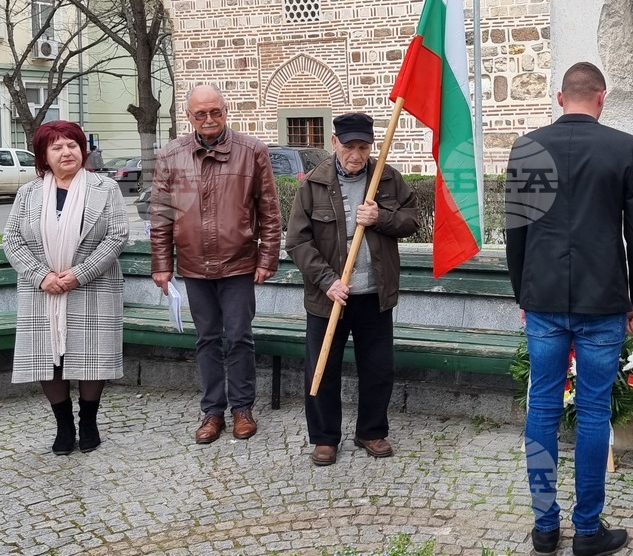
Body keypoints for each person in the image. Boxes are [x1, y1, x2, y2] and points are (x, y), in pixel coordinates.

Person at [505, 62, 633, 556]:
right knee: (592, 412)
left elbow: (515, 230)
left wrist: (523, 293)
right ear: (602, 98)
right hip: (602, 299)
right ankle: (587, 530)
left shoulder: (527, 146)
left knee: (542, 408)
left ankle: (545, 527)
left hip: (543, 297)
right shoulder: (622, 147)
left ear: (559, 97)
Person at [149, 85, 282, 443]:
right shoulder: (171, 155)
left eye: (215, 112)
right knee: (206, 338)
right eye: (201, 113)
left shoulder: (251, 151)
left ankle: (242, 408)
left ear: (226, 110)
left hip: (238, 262)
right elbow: (161, 215)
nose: (209, 119)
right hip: (193, 264)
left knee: (239, 337)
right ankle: (212, 411)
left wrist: (267, 256)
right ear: (189, 116)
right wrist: (161, 264)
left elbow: (270, 211)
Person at [285, 112, 419, 466]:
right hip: (329, 296)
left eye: (363, 147)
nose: (356, 155)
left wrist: (380, 218)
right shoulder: (313, 184)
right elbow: (297, 242)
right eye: (349, 147)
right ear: (334, 143)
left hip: (374, 294)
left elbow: (412, 220)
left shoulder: (387, 179)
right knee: (323, 368)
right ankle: (324, 438)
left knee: (378, 368)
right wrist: (327, 281)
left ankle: (371, 431)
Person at [3, 121, 129, 455]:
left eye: (72, 145)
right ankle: (64, 425)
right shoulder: (29, 193)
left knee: (91, 354)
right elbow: (12, 239)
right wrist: (41, 275)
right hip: (42, 289)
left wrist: (79, 274)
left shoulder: (105, 188)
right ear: (44, 155)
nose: (66, 152)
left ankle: (88, 422)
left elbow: (117, 235)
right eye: (56, 147)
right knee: (48, 356)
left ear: (82, 150)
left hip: (93, 286)